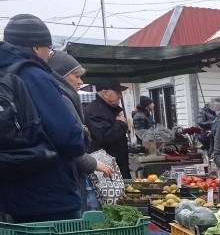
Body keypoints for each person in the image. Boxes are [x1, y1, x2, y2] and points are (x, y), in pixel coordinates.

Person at [0, 14, 86, 223]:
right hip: (51, 198)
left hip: (9, 197)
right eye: (48, 48)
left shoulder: (3, 75)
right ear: (35, 48)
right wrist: (81, 137)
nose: (48, 55)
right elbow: (69, 139)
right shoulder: (33, 75)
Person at [47, 51, 114, 211]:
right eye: (76, 76)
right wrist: (92, 163)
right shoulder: (62, 100)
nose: (81, 81)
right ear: (61, 76)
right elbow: (67, 143)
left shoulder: (62, 97)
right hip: (67, 179)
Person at [84, 78, 131, 179]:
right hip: (105, 170)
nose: (120, 96)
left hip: (117, 165)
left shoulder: (111, 109)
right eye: (117, 92)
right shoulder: (94, 111)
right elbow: (105, 136)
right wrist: (121, 124)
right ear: (105, 93)